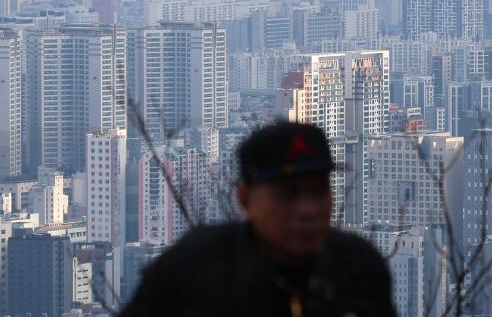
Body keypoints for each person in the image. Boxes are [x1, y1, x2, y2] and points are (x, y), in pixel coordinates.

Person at [121, 121, 397, 317]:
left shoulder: (358, 267)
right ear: (245, 200)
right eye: (288, 195)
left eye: (319, 190)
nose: (308, 210)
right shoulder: (195, 268)